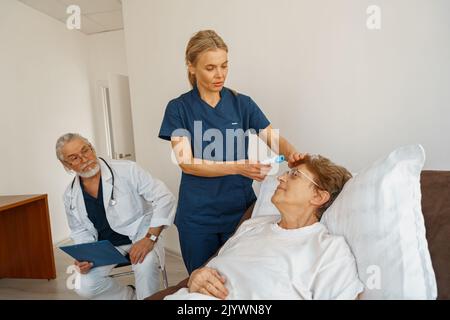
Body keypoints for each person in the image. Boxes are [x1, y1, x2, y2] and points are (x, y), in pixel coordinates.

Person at [158, 30, 303, 274]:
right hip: (198, 217)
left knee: (240, 278)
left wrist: (294, 156)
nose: (220, 74)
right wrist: (238, 166)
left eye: (224, 66)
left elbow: (274, 139)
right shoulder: (179, 108)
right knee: (202, 282)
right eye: (210, 67)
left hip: (240, 212)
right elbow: (186, 162)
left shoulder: (241, 103)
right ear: (191, 67)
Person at [164, 154, 364, 300]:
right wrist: (196, 277)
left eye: (294, 175)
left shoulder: (328, 250)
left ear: (318, 196)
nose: (281, 177)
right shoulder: (252, 226)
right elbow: (212, 268)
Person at [56, 133, 176, 300]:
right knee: (84, 286)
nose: (84, 159)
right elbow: (79, 230)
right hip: (106, 247)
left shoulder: (127, 169)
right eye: (74, 158)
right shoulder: (70, 195)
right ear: (66, 165)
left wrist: (150, 238)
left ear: (92, 147)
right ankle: (131, 296)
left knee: (145, 264)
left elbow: (164, 197)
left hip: (141, 235)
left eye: (85, 150)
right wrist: (86, 256)